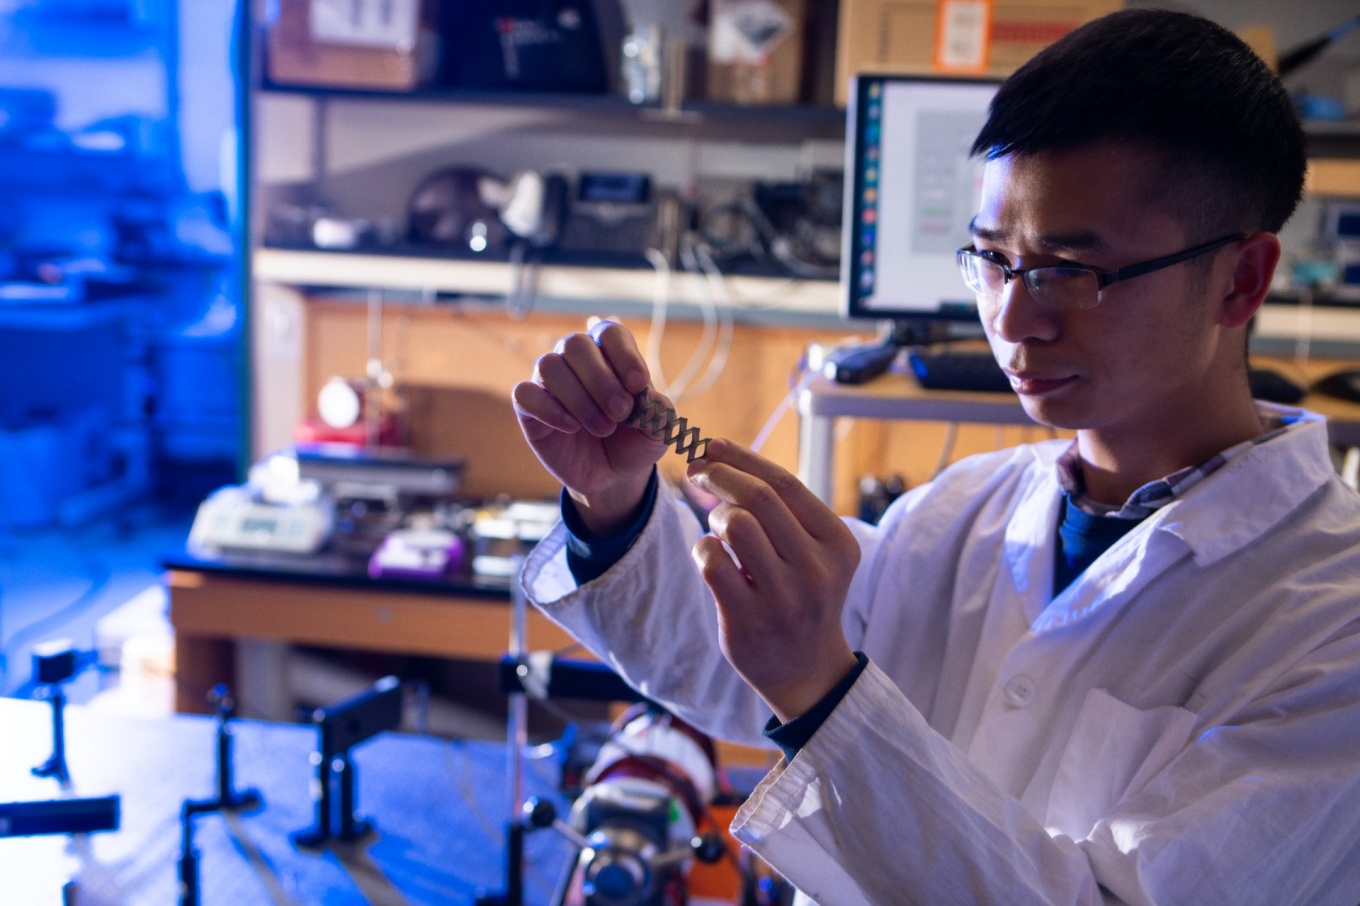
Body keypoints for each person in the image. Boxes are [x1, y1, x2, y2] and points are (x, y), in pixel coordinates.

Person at [511, 9, 1360, 905]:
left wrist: (825, 693)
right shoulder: (965, 509)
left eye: (1071, 269)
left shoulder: (1330, 624)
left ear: (1242, 279)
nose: (1013, 319)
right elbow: (736, 678)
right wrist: (615, 507)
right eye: (993, 260)